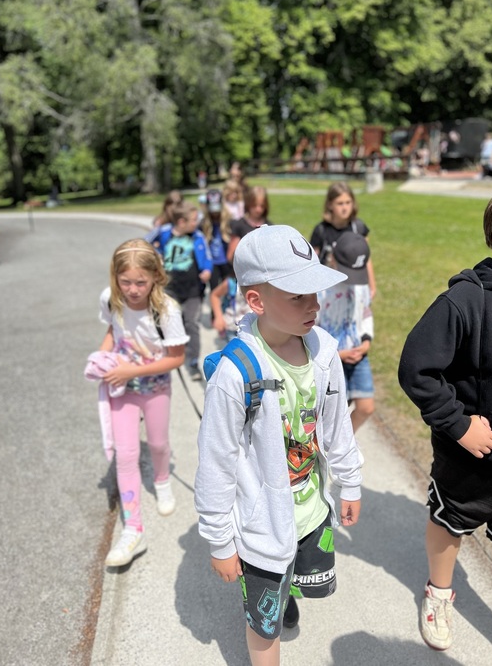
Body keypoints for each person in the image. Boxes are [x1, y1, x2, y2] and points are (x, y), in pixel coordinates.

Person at [195, 224, 362, 665]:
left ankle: (287, 590)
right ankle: (274, 596)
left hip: (310, 509)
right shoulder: (236, 374)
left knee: (295, 581)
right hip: (260, 523)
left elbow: (336, 424)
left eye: (315, 292)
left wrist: (350, 481)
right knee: (263, 626)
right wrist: (220, 541)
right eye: (297, 297)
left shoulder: (323, 351)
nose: (314, 305)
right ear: (256, 301)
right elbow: (216, 461)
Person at [398, 186, 492, 651]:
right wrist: (460, 425)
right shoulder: (466, 300)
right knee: (451, 525)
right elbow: (417, 369)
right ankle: (439, 593)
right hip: (471, 456)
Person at [97, 239, 188, 567]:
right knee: (126, 455)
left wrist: (130, 370)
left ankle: (162, 480)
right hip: (121, 387)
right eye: (125, 282)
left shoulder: (167, 310)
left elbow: (176, 358)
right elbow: (113, 331)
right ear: (115, 277)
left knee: (159, 444)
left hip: (155, 388)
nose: (133, 290)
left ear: (155, 277)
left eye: (140, 282)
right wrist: (102, 357)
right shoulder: (111, 299)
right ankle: (133, 529)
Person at [316, 231, 375, 433]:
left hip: (358, 354)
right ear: (333, 258)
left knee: (366, 407)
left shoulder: (361, 284)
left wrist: (366, 341)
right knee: (332, 413)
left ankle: (344, 441)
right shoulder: (320, 289)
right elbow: (311, 327)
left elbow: (365, 312)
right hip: (329, 360)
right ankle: (331, 443)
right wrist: (335, 354)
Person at [155, 201, 213, 381]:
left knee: (191, 323)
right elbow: (148, 246)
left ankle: (193, 361)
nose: (197, 222)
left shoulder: (197, 236)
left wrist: (207, 270)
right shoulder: (164, 234)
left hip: (193, 290)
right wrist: (156, 258)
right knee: (167, 321)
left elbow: (208, 257)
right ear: (181, 222)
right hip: (170, 288)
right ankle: (165, 355)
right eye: (194, 220)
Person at [310, 181, 376, 299]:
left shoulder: (358, 228)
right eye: (340, 203)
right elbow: (312, 262)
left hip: (354, 284)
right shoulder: (321, 230)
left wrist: (372, 286)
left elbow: (365, 259)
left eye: (348, 202)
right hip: (327, 288)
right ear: (330, 205)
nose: (345, 208)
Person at [227, 185, 271, 263]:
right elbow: (230, 256)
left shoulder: (269, 227)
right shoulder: (239, 225)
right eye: (254, 205)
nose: (258, 209)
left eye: (262, 206)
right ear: (248, 204)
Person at [199, 188, 232, 290]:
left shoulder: (230, 222)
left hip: (227, 262)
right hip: (212, 263)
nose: (215, 214)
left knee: (229, 289)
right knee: (214, 289)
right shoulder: (203, 224)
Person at [209, 264, 251, 341]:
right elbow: (214, 295)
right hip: (232, 326)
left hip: (252, 328)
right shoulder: (231, 282)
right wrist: (218, 317)